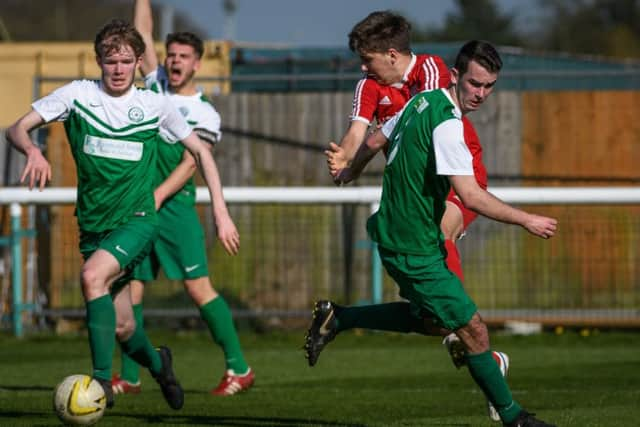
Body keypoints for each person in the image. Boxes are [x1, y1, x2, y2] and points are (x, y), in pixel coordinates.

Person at [309, 40, 557, 427]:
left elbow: (378, 137)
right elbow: (471, 196)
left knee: (436, 323)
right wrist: (526, 219)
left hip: (403, 237)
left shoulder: (419, 102)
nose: (481, 94)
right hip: (413, 246)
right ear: (456, 76)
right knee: (473, 328)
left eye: (489, 86)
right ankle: (514, 418)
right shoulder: (447, 125)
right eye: (475, 84)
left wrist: (351, 171)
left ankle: (339, 318)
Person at [6, 18, 233, 411]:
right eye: (111, 61)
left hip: (139, 220)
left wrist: (220, 210)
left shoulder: (153, 104)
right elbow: (17, 128)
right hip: (94, 227)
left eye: (127, 61)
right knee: (126, 326)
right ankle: (159, 363)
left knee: (92, 276)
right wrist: (33, 150)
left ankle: (99, 383)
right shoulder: (78, 95)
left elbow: (201, 153)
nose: (118, 69)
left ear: (138, 62)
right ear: (99, 61)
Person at [328, 10, 504, 421]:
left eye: (368, 57)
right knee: (432, 320)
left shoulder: (428, 71)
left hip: (456, 175)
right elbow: (361, 133)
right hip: (420, 188)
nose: (362, 66)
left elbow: (417, 119)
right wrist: (345, 160)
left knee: (442, 239)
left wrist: (356, 162)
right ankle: (465, 338)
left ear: (391, 54)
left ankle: (472, 337)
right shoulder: (368, 86)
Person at [109, 0, 254, 397]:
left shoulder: (204, 112)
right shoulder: (154, 83)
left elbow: (193, 164)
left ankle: (239, 368)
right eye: (170, 54)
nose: (174, 62)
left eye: (183, 57)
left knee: (198, 288)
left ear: (197, 65)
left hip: (173, 209)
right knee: (130, 289)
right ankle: (132, 375)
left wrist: (156, 194)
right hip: (140, 205)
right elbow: (142, 29)